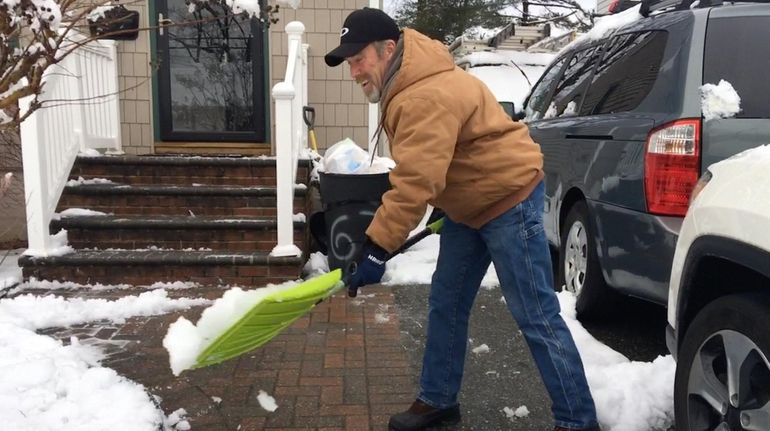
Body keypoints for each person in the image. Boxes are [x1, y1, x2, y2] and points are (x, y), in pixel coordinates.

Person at [325, 7, 601, 431]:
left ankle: (577, 420)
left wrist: (377, 247)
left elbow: (416, 179)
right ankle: (438, 402)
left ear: (389, 50)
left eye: (358, 59)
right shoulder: (409, 82)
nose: (354, 71)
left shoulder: (422, 94)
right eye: (349, 62)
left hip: (509, 199)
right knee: (446, 303)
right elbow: (436, 161)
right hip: (469, 205)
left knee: (535, 314)